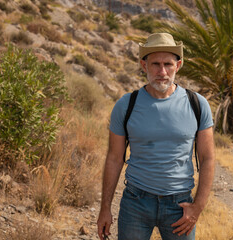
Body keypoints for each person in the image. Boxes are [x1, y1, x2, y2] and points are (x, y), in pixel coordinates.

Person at [97, 32, 215, 240]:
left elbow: (208, 159)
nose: (162, 71)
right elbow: (114, 158)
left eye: (168, 64)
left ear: (177, 66)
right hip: (135, 203)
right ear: (144, 66)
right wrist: (104, 208)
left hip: (179, 207)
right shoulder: (126, 105)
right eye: (155, 64)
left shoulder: (197, 104)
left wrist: (197, 207)